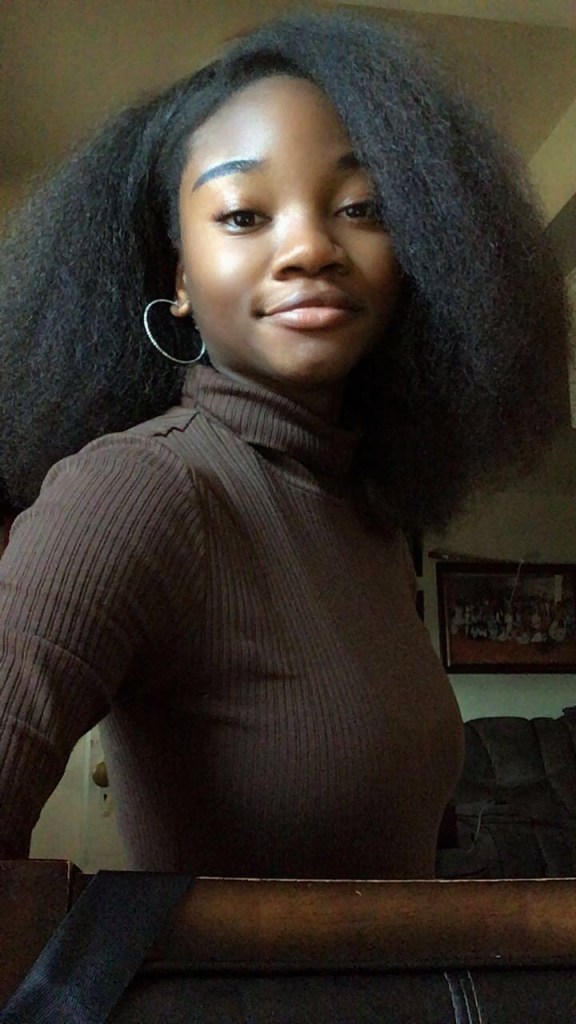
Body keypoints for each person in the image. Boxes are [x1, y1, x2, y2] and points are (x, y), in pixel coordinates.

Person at [0, 11, 570, 877]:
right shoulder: (137, 489)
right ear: (179, 277)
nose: (310, 247)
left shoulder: (371, 523)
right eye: (242, 215)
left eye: (361, 208)